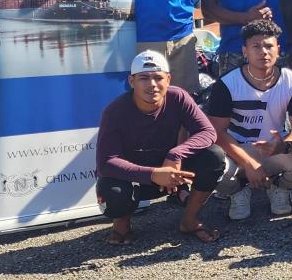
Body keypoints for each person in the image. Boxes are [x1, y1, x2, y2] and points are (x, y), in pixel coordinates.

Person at [95, 50, 225, 246]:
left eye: (158, 77)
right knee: (112, 190)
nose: (152, 85)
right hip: (137, 178)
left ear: (168, 79)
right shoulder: (114, 112)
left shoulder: (179, 97)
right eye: (144, 78)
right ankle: (121, 224)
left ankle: (189, 219)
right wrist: (154, 174)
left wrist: (176, 154)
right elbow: (106, 163)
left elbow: (208, 133)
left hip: (172, 172)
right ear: (132, 81)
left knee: (214, 156)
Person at [205, 19, 292, 223]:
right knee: (209, 160)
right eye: (256, 46)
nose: (263, 51)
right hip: (238, 151)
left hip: (273, 149)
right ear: (244, 51)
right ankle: (237, 192)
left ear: (278, 49)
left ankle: (279, 188)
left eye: (269, 46)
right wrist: (249, 164)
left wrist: (286, 145)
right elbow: (217, 133)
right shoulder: (228, 83)